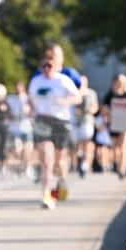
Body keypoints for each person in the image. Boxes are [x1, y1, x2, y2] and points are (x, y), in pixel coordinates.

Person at [27, 43, 81, 209]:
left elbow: (77, 98)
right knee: (46, 159)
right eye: (44, 65)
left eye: (50, 65)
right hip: (42, 120)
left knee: (59, 161)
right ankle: (47, 194)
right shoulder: (36, 81)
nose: (46, 68)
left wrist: (65, 101)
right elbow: (30, 99)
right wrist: (30, 110)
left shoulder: (63, 80)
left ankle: (62, 182)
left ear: (56, 66)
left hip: (60, 122)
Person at [6, 80, 34, 177]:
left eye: (20, 87)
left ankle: (27, 166)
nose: (18, 89)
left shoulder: (28, 98)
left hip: (27, 127)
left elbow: (34, 111)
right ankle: (20, 164)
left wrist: (29, 111)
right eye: (16, 87)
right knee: (18, 149)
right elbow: (7, 111)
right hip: (15, 128)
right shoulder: (10, 99)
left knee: (27, 150)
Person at [73, 74, 98, 177]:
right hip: (75, 122)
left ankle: (85, 164)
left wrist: (89, 111)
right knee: (78, 144)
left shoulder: (91, 93)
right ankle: (79, 159)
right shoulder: (74, 92)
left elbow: (95, 107)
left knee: (87, 142)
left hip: (87, 121)